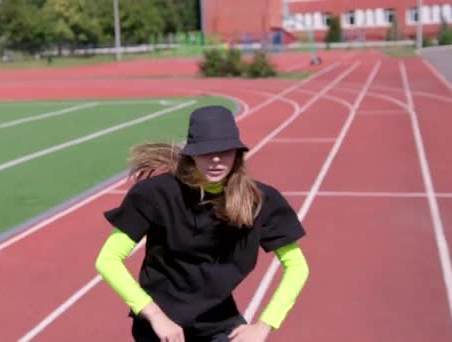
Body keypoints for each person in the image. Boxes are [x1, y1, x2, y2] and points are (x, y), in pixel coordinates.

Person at [96, 105, 309, 342]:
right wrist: (155, 316)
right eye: (206, 151)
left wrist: (264, 325)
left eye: (225, 150)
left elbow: (297, 266)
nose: (216, 159)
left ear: (238, 153)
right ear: (191, 154)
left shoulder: (260, 200)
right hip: (160, 327)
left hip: (219, 324)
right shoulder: (155, 194)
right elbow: (108, 260)